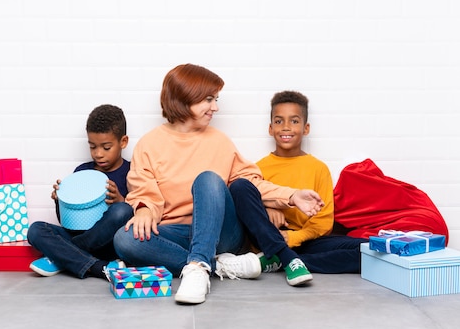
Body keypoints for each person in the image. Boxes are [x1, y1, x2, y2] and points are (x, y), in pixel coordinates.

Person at [113, 64, 324, 305]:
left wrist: (292, 196)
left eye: (216, 99)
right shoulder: (150, 144)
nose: (215, 107)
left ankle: (198, 265)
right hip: (178, 232)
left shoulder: (219, 141)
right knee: (124, 239)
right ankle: (219, 266)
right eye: (209, 99)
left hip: (223, 234)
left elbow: (250, 184)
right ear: (185, 98)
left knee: (208, 179)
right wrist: (144, 210)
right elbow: (144, 190)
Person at [255, 90, 367, 274]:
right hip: (273, 239)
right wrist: (268, 210)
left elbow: (324, 222)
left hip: (307, 239)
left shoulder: (318, 168)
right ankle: (285, 259)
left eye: (294, 121)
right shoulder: (258, 168)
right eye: (278, 121)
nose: (286, 127)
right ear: (270, 128)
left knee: (368, 251)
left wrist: (296, 237)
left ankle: (285, 262)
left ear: (306, 128)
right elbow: (248, 207)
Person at [27, 104, 133, 280]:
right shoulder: (82, 172)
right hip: (80, 235)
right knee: (35, 230)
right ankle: (99, 267)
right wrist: (60, 201)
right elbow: (67, 223)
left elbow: (134, 216)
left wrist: (120, 200)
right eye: (92, 147)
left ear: (123, 142)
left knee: (123, 210)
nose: (98, 154)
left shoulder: (132, 172)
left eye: (106, 147)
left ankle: (62, 256)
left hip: (109, 244)